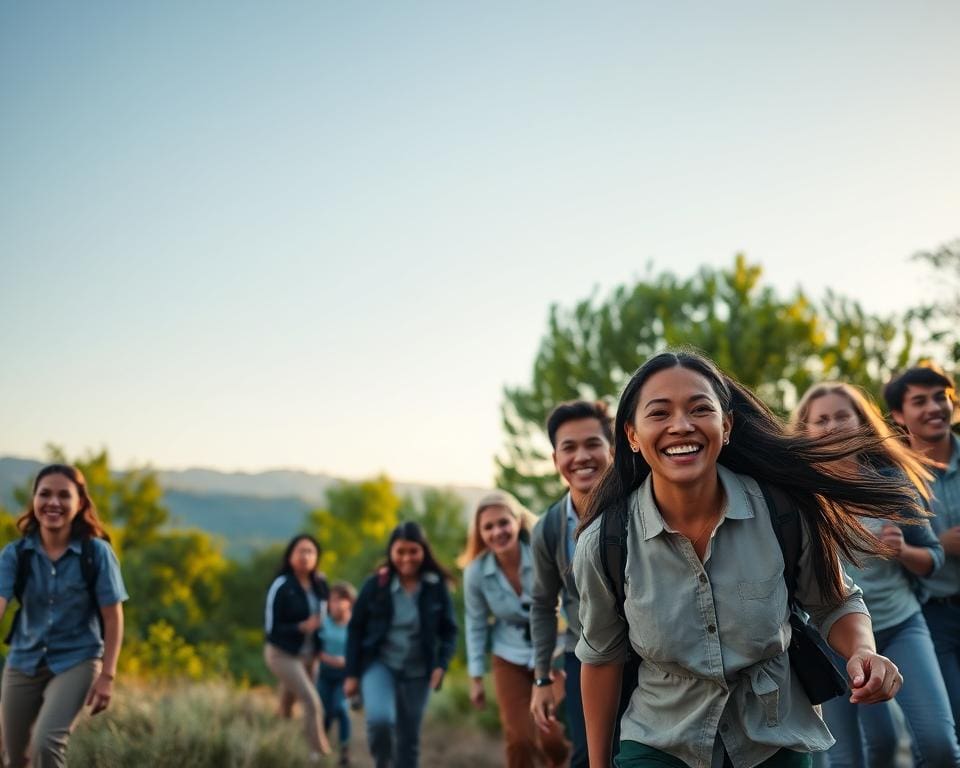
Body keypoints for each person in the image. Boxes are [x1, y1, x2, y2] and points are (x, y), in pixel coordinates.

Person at [574, 350, 912, 768]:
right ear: (632, 435)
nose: (681, 425)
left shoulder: (783, 511)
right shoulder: (606, 542)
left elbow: (835, 601)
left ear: (727, 425)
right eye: (659, 413)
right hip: (661, 742)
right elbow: (602, 658)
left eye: (700, 409)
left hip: (774, 739)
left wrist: (863, 650)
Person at [792, 381, 960, 767]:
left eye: (842, 415)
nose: (833, 425)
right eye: (822, 419)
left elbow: (933, 557)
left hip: (900, 625)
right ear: (805, 431)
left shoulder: (888, 483)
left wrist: (904, 551)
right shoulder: (799, 495)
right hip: (832, 638)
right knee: (863, 752)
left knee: (940, 746)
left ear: (861, 423)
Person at [0, 464, 127, 768]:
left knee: (46, 742)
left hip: (78, 660)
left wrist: (107, 676)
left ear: (80, 503)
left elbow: (113, 618)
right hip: (23, 660)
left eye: (64, 495)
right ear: (34, 500)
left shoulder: (96, 553)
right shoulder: (15, 554)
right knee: (13, 757)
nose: (53, 502)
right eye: (45, 494)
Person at [530, 399, 615, 767]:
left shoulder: (640, 508)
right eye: (569, 447)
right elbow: (542, 605)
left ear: (612, 450)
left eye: (593, 444)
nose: (582, 456)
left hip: (648, 659)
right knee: (587, 757)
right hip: (585, 658)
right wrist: (541, 680)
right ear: (555, 459)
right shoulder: (548, 529)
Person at [461, 490, 570, 768]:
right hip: (508, 655)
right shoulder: (475, 573)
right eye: (488, 527)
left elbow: (571, 600)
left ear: (518, 521)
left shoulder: (542, 554)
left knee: (550, 735)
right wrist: (476, 677)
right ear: (480, 533)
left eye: (503, 523)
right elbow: (475, 624)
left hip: (553, 652)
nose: (497, 532)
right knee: (519, 738)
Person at [885, 365, 960, 739]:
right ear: (899, 415)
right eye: (919, 401)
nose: (933, 408)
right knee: (944, 732)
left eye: (940, 397)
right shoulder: (891, 477)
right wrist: (939, 545)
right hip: (930, 615)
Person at [344, 521, 457, 768]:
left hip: (419, 670)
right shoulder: (376, 585)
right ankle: (383, 762)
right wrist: (351, 674)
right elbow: (355, 628)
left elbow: (449, 631)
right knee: (380, 721)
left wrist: (442, 664)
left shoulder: (435, 586)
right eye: (400, 551)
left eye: (413, 551)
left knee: (409, 738)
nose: (407, 558)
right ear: (391, 552)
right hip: (380, 664)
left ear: (423, 551)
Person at [264, 533, 332, 762]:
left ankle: (275, 746)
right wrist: (300, 627)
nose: (306, 556)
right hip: (282, 654)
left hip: (310, 655)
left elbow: (327, 615)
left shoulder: (320, 584)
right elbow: (271, 628)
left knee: (286, 708)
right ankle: (320, 755)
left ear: (317, 557)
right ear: (290, 556)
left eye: (310, 551)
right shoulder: (281, 585)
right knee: (312, 702)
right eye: (301, 551)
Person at [319, 580, 357, 767]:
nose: (335, 604)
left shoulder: (355, 626)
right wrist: (331, 659)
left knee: (341, 709)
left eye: (340, 600)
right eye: (332, 600)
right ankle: (321, 747)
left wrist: (348, 663)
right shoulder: (323, 623)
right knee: (324, 712)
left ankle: (344, 751)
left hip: (344, 677)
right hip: (324, 675)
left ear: (349, 602)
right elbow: (315, 649)